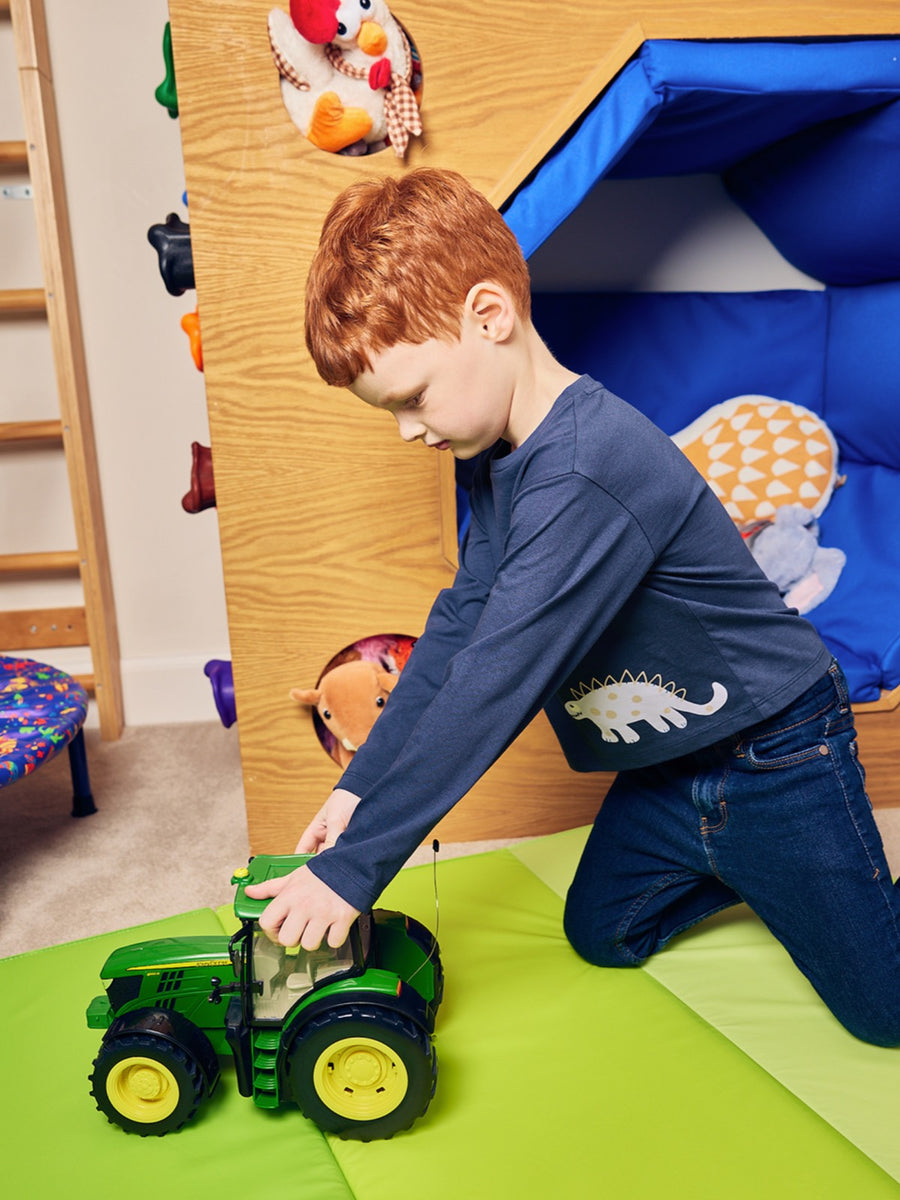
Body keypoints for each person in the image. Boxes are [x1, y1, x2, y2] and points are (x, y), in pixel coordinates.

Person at [246, 168, 900, 1046]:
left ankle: (796, 870)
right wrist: (360, 786)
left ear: (490, 317)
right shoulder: (492, 451)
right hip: (672, 771)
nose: (408, 429)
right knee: (602, 936)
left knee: (884, 1016)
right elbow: (460, 624)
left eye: (412, 398)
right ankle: (751, 866)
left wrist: (357, 871)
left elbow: (496, 679)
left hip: (776, 752)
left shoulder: (591, 464)